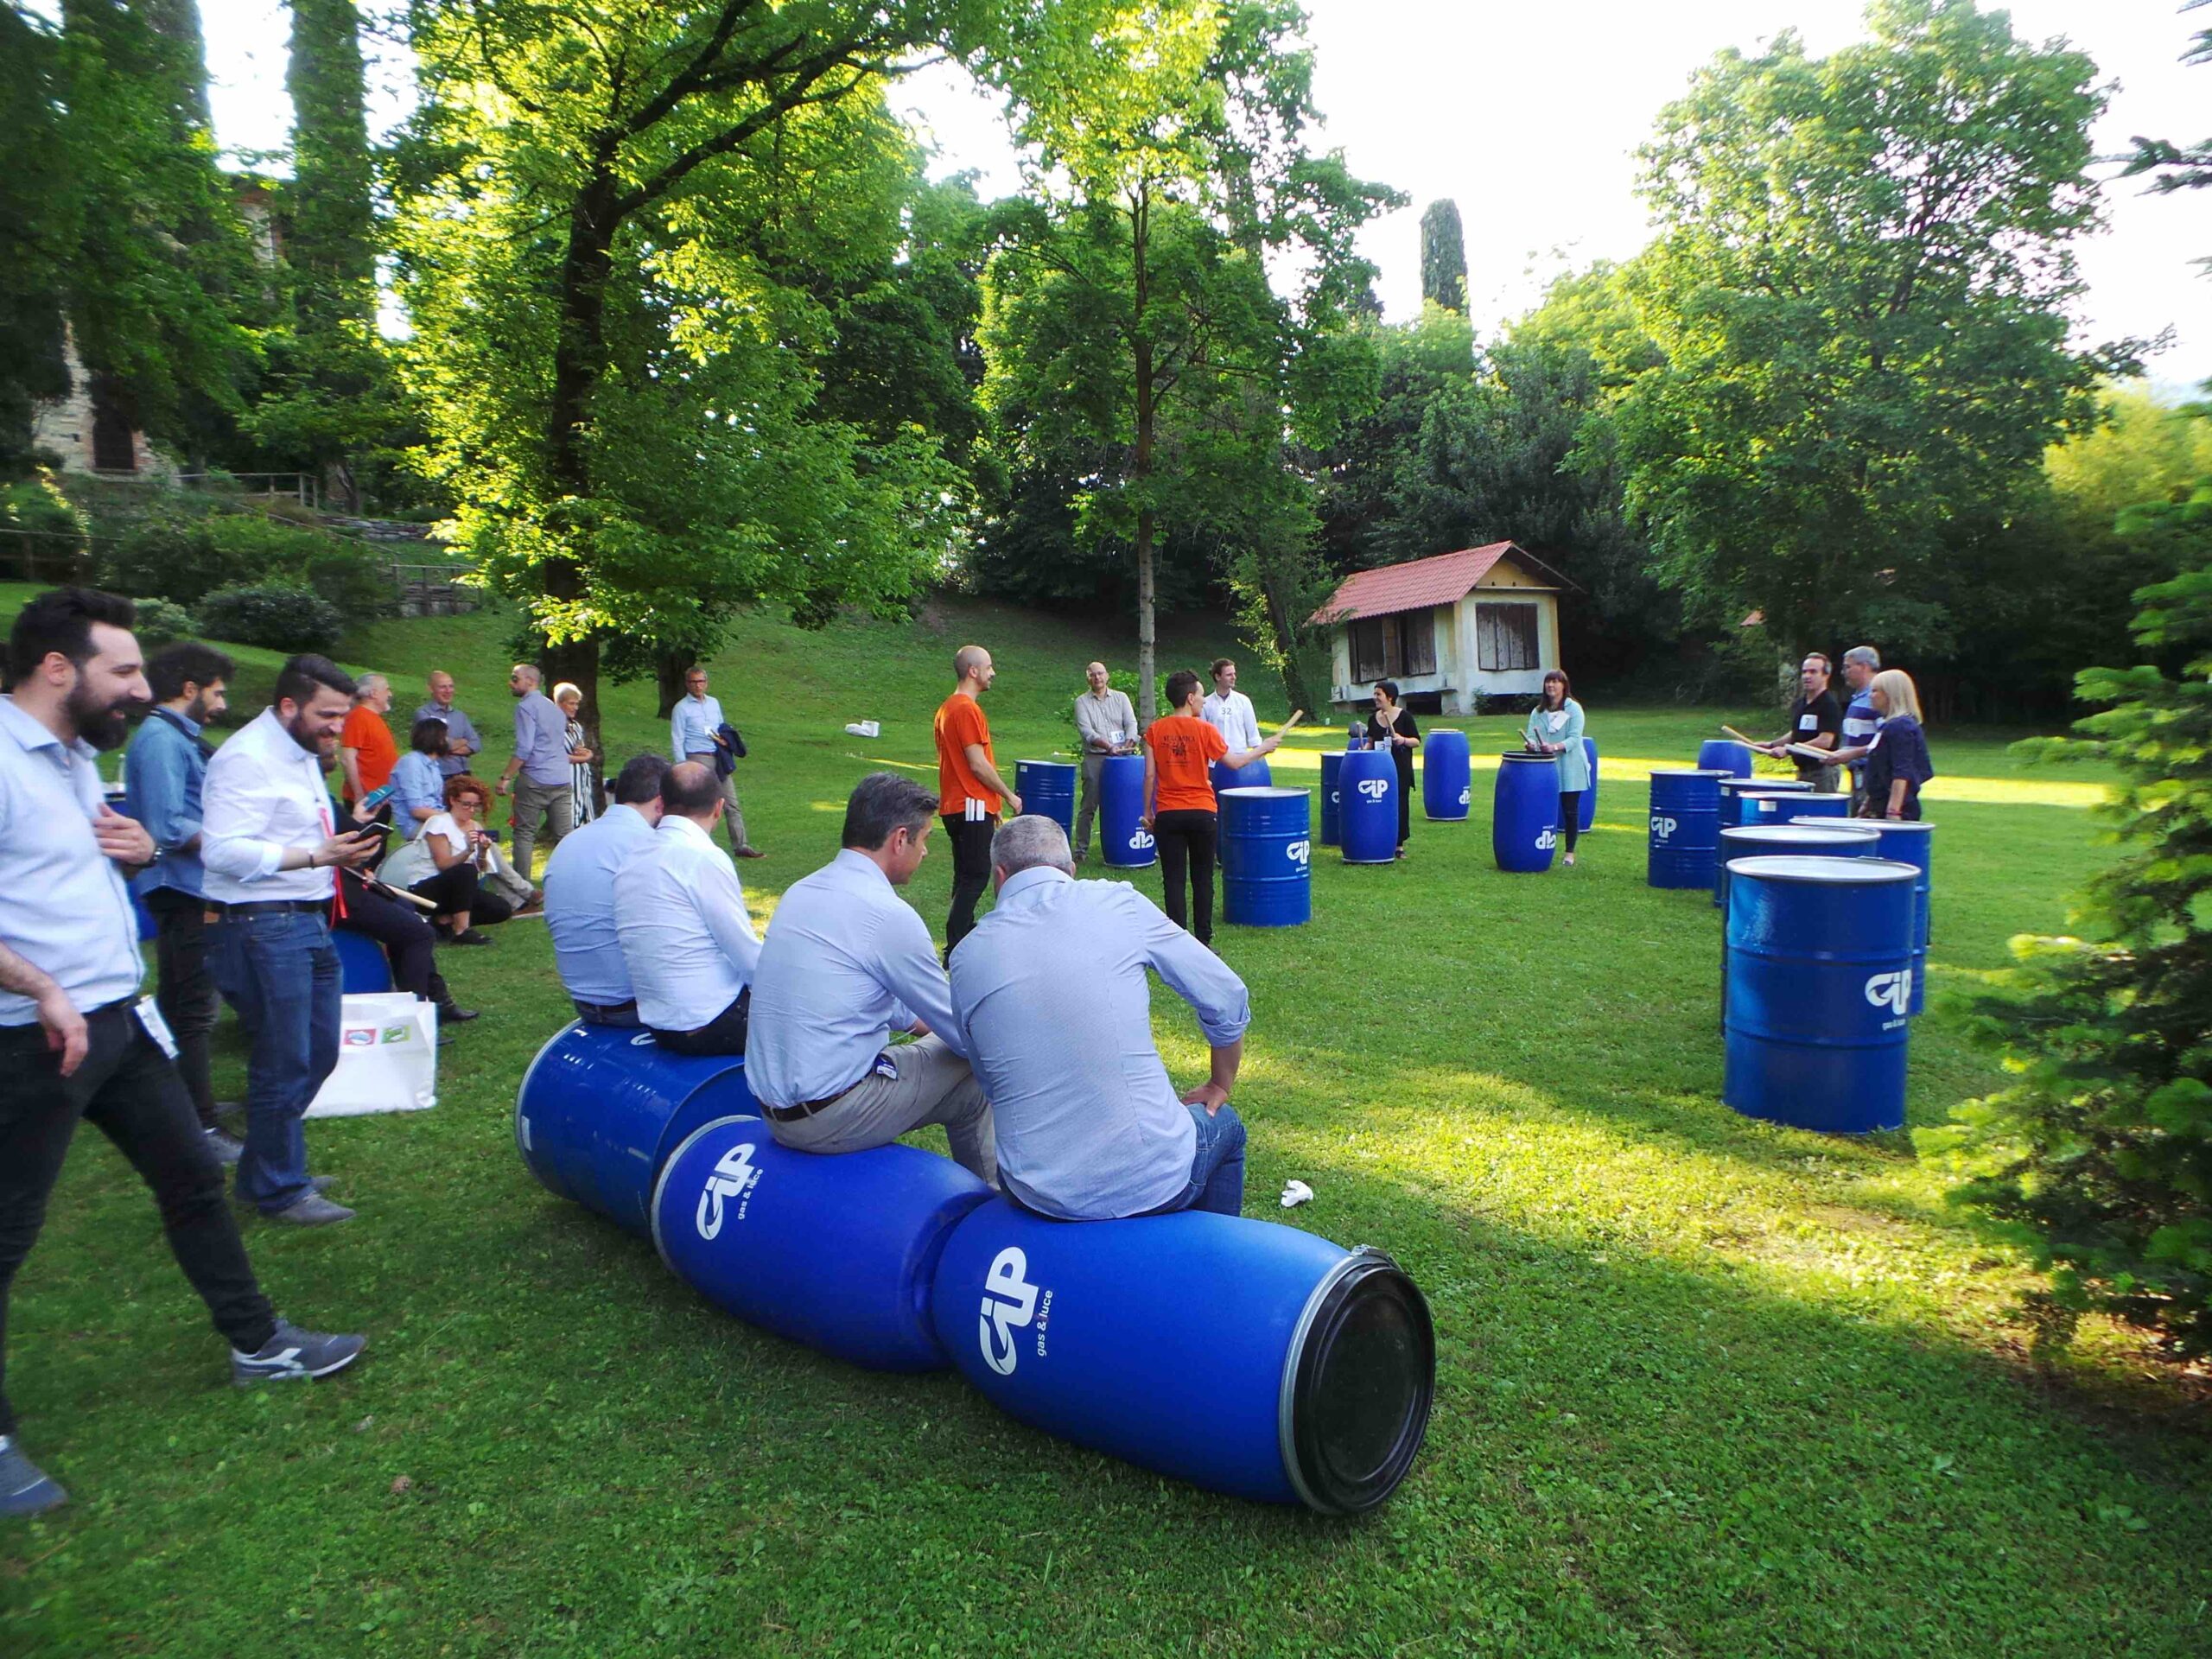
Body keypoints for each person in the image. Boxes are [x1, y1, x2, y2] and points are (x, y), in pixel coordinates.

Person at [0, 589, 365, 1516]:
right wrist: (40, 988)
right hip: (31, 1035)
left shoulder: (76, 758)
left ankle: (258, 1343)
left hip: (115, 1019)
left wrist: (129, 852)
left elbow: (59, 875)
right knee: (8, 1233)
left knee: (196, 1180)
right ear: (56, 668)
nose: (140, 687)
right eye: (123, 669)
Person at [950, 816, 1251, 1220]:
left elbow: (988, 1076)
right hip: (1152, 1176)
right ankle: (1214, 1248)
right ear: (1071, 870)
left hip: (1036, 1189)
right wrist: (1219, 1083)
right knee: (1225, 1125)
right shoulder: (1118, 903)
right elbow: (1226, 995)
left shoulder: (966, 956)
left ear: (999, 877)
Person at [201, 652, 385, 1225]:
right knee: (285, 1060)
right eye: (327, 715)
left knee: (319, 1052)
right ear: (288, 705)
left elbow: (305, 830)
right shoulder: (245, 758)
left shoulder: (301, 750)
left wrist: (343, 851)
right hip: (261, 924)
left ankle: (264, 1166)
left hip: (305, 917)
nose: (338, 727)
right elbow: (220, 851)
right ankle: (280, 1187)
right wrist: (313, 856)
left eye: (343, 714)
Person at [745, 772, 995, 1182]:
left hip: (777, 1112)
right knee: (974, 1067)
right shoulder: (887, 915)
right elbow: (965, 1034)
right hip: (829, 1116)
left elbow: (853, 991)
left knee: (959, 1076)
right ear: (900, 839)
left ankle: (982, 1196)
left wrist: (920, 1023)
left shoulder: (802, 891)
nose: (926, 851)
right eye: (924, 839)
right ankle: (994, 1203)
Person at [122, 640, 241, 1163]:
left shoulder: (175, 738)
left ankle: (184, 1106)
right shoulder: (160, 740)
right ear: (189, 689)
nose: (221, 704)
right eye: (216, 693)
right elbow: (168, 825)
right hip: (181, 889)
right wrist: (234, 845)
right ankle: (201, 1126)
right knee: (193, 1010)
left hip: (192, 886)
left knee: (182, 1004)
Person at [613, 762, 760, 1055]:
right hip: (711, 1019)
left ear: (661, 803)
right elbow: (747, 956)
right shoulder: (702, 857)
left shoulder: (632, 859)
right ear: (719, 808)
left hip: (661, 1022)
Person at [1142, 669, 1280, 946]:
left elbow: (1149, 775)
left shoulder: (1155, 731)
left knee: (1173, 879)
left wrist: (1148, 812)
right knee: (1203, 878)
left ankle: (1177, 942)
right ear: (1190, 698)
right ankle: (1203, 941)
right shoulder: (1205, 730)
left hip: (1169, 813)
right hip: (1202, 812)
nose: (1204, 701)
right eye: (1201, 695)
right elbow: (1235, 763)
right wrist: (1263, 748)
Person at [543, 753, 669, 1025]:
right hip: (635, 1004)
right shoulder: (650, 845)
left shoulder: (570, 841)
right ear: (660, 804)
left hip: (584, 1000)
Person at [932, 645, 1021, 955]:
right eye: (988, 667)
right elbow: (977, 764)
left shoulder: (947, 708)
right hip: (970, 804)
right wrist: (1008, 795)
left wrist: (991, 804)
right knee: (977, 874)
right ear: (973, 671)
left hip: (960, 806)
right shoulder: (966, 709)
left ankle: (961, 936)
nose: (992, 673)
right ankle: (956, 945)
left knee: (965, 874)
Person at [378, 774, 520, 944]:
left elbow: (481, 869)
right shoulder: (439, 823)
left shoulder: (475, 826)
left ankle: (443, 921)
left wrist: (482, 851)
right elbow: (443, 864)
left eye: (475, 806)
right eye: (466, 804)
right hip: (427, 888)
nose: (471, 810)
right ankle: (461, 930)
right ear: (453, 800)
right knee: (465, 870)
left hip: (460, 889)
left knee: (501, 908)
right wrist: (468, 850)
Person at [668, 664, 761, 860]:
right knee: (700, 804)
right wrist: (682, 766)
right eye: (693, 682)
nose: (698, 685)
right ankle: (697, 845)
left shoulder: (713, 703)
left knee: (731, 802)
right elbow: (677, 738)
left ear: (706, 683)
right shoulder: (681, 708)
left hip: (718, 757)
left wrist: (725, 741)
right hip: (697, 757)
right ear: (687, 684)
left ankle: (741, 845)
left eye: (701, 681)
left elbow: (720, 727)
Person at [496, 663, 573, 887]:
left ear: (530, 681)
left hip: (535, 779)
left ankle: (522, 889)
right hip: (561, 778)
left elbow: (525, 748)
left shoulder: (526, 707)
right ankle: (570, 883)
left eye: (515, 678)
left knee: (524, 833)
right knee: (565, 836)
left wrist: (506, 777)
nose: (510, 683)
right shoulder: (554, 709)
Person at [1071, 660, 1140, 863]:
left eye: (1100, 673)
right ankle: (1081, 851)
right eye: (1092, 675)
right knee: (1089, 805)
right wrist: (1109, 746)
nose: (1097, 678)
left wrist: (1129, 741)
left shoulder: (1121, 698)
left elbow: (1131, 723)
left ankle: (1129, 842)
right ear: (1088, 679)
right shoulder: (1081, 702)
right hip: (1096, 757)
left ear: (1107, 675)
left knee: (1127, 804)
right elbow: (1087, 731)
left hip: (1123, 759)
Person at [1521, 670, 1590, 868]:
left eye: (1555, 682)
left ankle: (1569, 853)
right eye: (1548, 682)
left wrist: (1554, 747)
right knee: (1541, 808)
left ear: (1564, 685)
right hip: (1545, 768)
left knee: (1570, 810)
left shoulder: (1573, 709)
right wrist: (1531, 745)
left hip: (1570, 766)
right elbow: (1532, 736)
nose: (1551, 685)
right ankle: (1539, 846)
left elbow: (1574, 739)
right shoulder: (1538, 711)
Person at [1851, 669, 1935, 821]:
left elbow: (1901, 772)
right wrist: (1868, 803)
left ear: (1891, 694)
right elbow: (1880, 771)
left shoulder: (1900, 727)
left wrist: (1893, 811)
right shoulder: (1889, 726)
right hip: (1879, 805)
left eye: (1875, 691)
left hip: (1896, 810)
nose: (1870, 696)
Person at [1758, 653, 1844, 791]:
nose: (1807, 676)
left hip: (1822, 772)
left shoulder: (1829, 704)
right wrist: (1771, 745)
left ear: (1826, 675)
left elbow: (1825, 740)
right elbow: (1796, 733)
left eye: (1813, 672)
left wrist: (1789, 750)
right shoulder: (1800, 704)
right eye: (1804, 672)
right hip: (1803, 771)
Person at [1365, 678, 1421, 858]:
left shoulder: (1405, 717)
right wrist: (1362, 752)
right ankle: (1380, 839)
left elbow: (1416, 741)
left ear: (1389, 697)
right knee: (1379, 805)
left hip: (1399, 769)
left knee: (1400, 805)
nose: (1375, 697)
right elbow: (1371, 742)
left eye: (1378, 694)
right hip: (1377, 770)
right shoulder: (1373, 718)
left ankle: (1399, 845)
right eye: (1375, 694)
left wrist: (1402, 740)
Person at [338, 672, 398, 819]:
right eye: (387, 689)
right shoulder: (358, 717)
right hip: (367, 800)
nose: (390, 694)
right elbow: (347, 759)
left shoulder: (373, 718)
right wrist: (359, 795)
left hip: (381, 797)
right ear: (373, 693)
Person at [389, 717, 450, 839]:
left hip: (436, 820)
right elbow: (417, 810)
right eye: (445, 736)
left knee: (473, 829)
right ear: (437, 738)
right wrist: (451, 819)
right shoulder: (411, 763)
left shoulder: (434, 766)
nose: (449, 740)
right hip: (416, 826)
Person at [1838, 645, 1882, 813]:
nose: (1844, 672)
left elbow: (1884, 739)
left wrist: (1850, 754)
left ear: (1864, 666)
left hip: (1871, 774)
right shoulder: (1859, 697)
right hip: (1856, 774)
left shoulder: (1877, 698)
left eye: (1848, 667)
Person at [414, 670, 480, 779]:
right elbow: (434, 743)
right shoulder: (423, 713)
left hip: (462, 774)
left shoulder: (460, 715)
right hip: (437, 774)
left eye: (451, 686)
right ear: (430, 689)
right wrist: (463, 741)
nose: (448, 691)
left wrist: (446, 749)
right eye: (443, 687)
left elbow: (476, 744)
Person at [555, 681, 597, 828]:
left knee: (586, 820)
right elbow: (556, 756)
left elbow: (579, 749)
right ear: (559, 703)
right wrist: (585, 757)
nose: (575, 708)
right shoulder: (552, 726)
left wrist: (586, 753)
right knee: (569, 821)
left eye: (577, 704)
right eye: (571, 703)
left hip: (582, 779)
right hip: (567, 781)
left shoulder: (575, 726)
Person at [1201, 657, 1262, 753]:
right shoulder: (1205, 704)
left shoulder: (1243, 701)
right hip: (1214, 758)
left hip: (1239, 757)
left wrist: (1259, 757)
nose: (1234, 677)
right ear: (1218, 677)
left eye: (1234, 674)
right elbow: (1202, 736)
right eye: (1229, 675)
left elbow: (1253, 735)